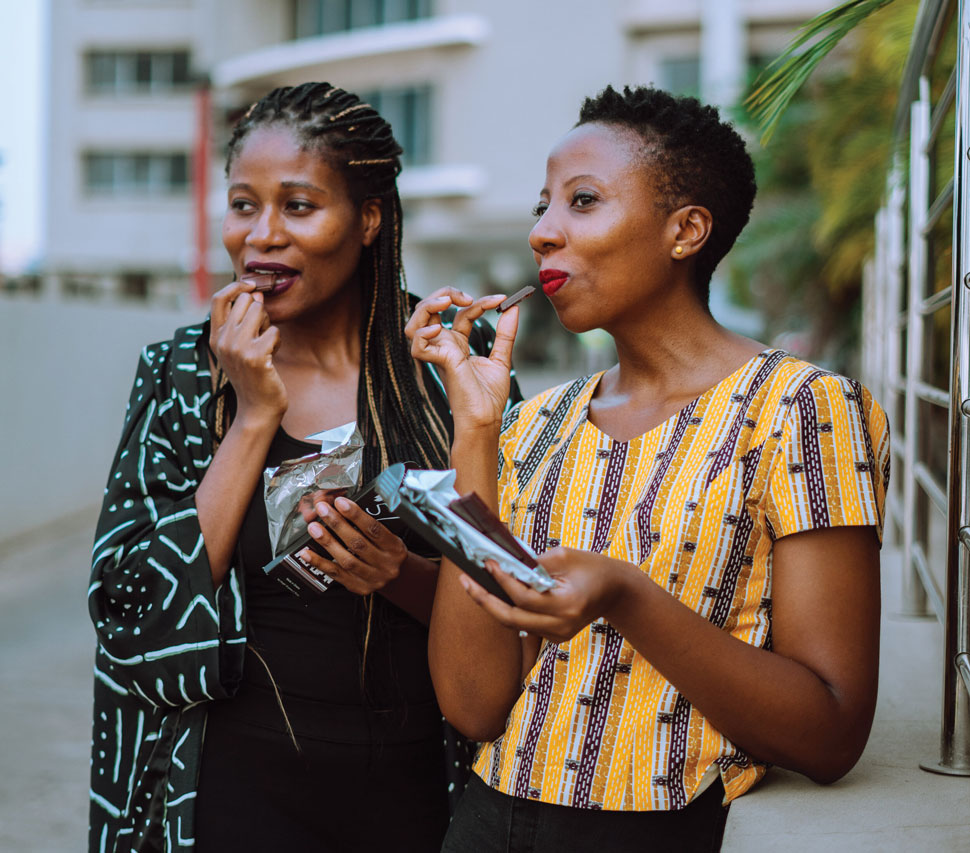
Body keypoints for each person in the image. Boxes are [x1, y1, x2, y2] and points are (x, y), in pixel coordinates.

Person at [406, 85, 889, 852]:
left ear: (686, 230)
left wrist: (625, 595)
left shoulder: (802, 408)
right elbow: (473, 705)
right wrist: (476, 430)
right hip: (483, 824)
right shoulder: (530, 425)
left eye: (582, 201)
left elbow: (831, 731)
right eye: (542, 207)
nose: (542, 232)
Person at [87, 82, 520, 853]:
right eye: (243, 205)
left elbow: (521, 604)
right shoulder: (183, 374)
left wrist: (399, 574)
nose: (261, 236)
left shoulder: (453, 365)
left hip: (422, 796)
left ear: (369, 218)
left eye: (297, 206)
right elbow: (133, 613)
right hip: (228, 794)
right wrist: (253, 415)